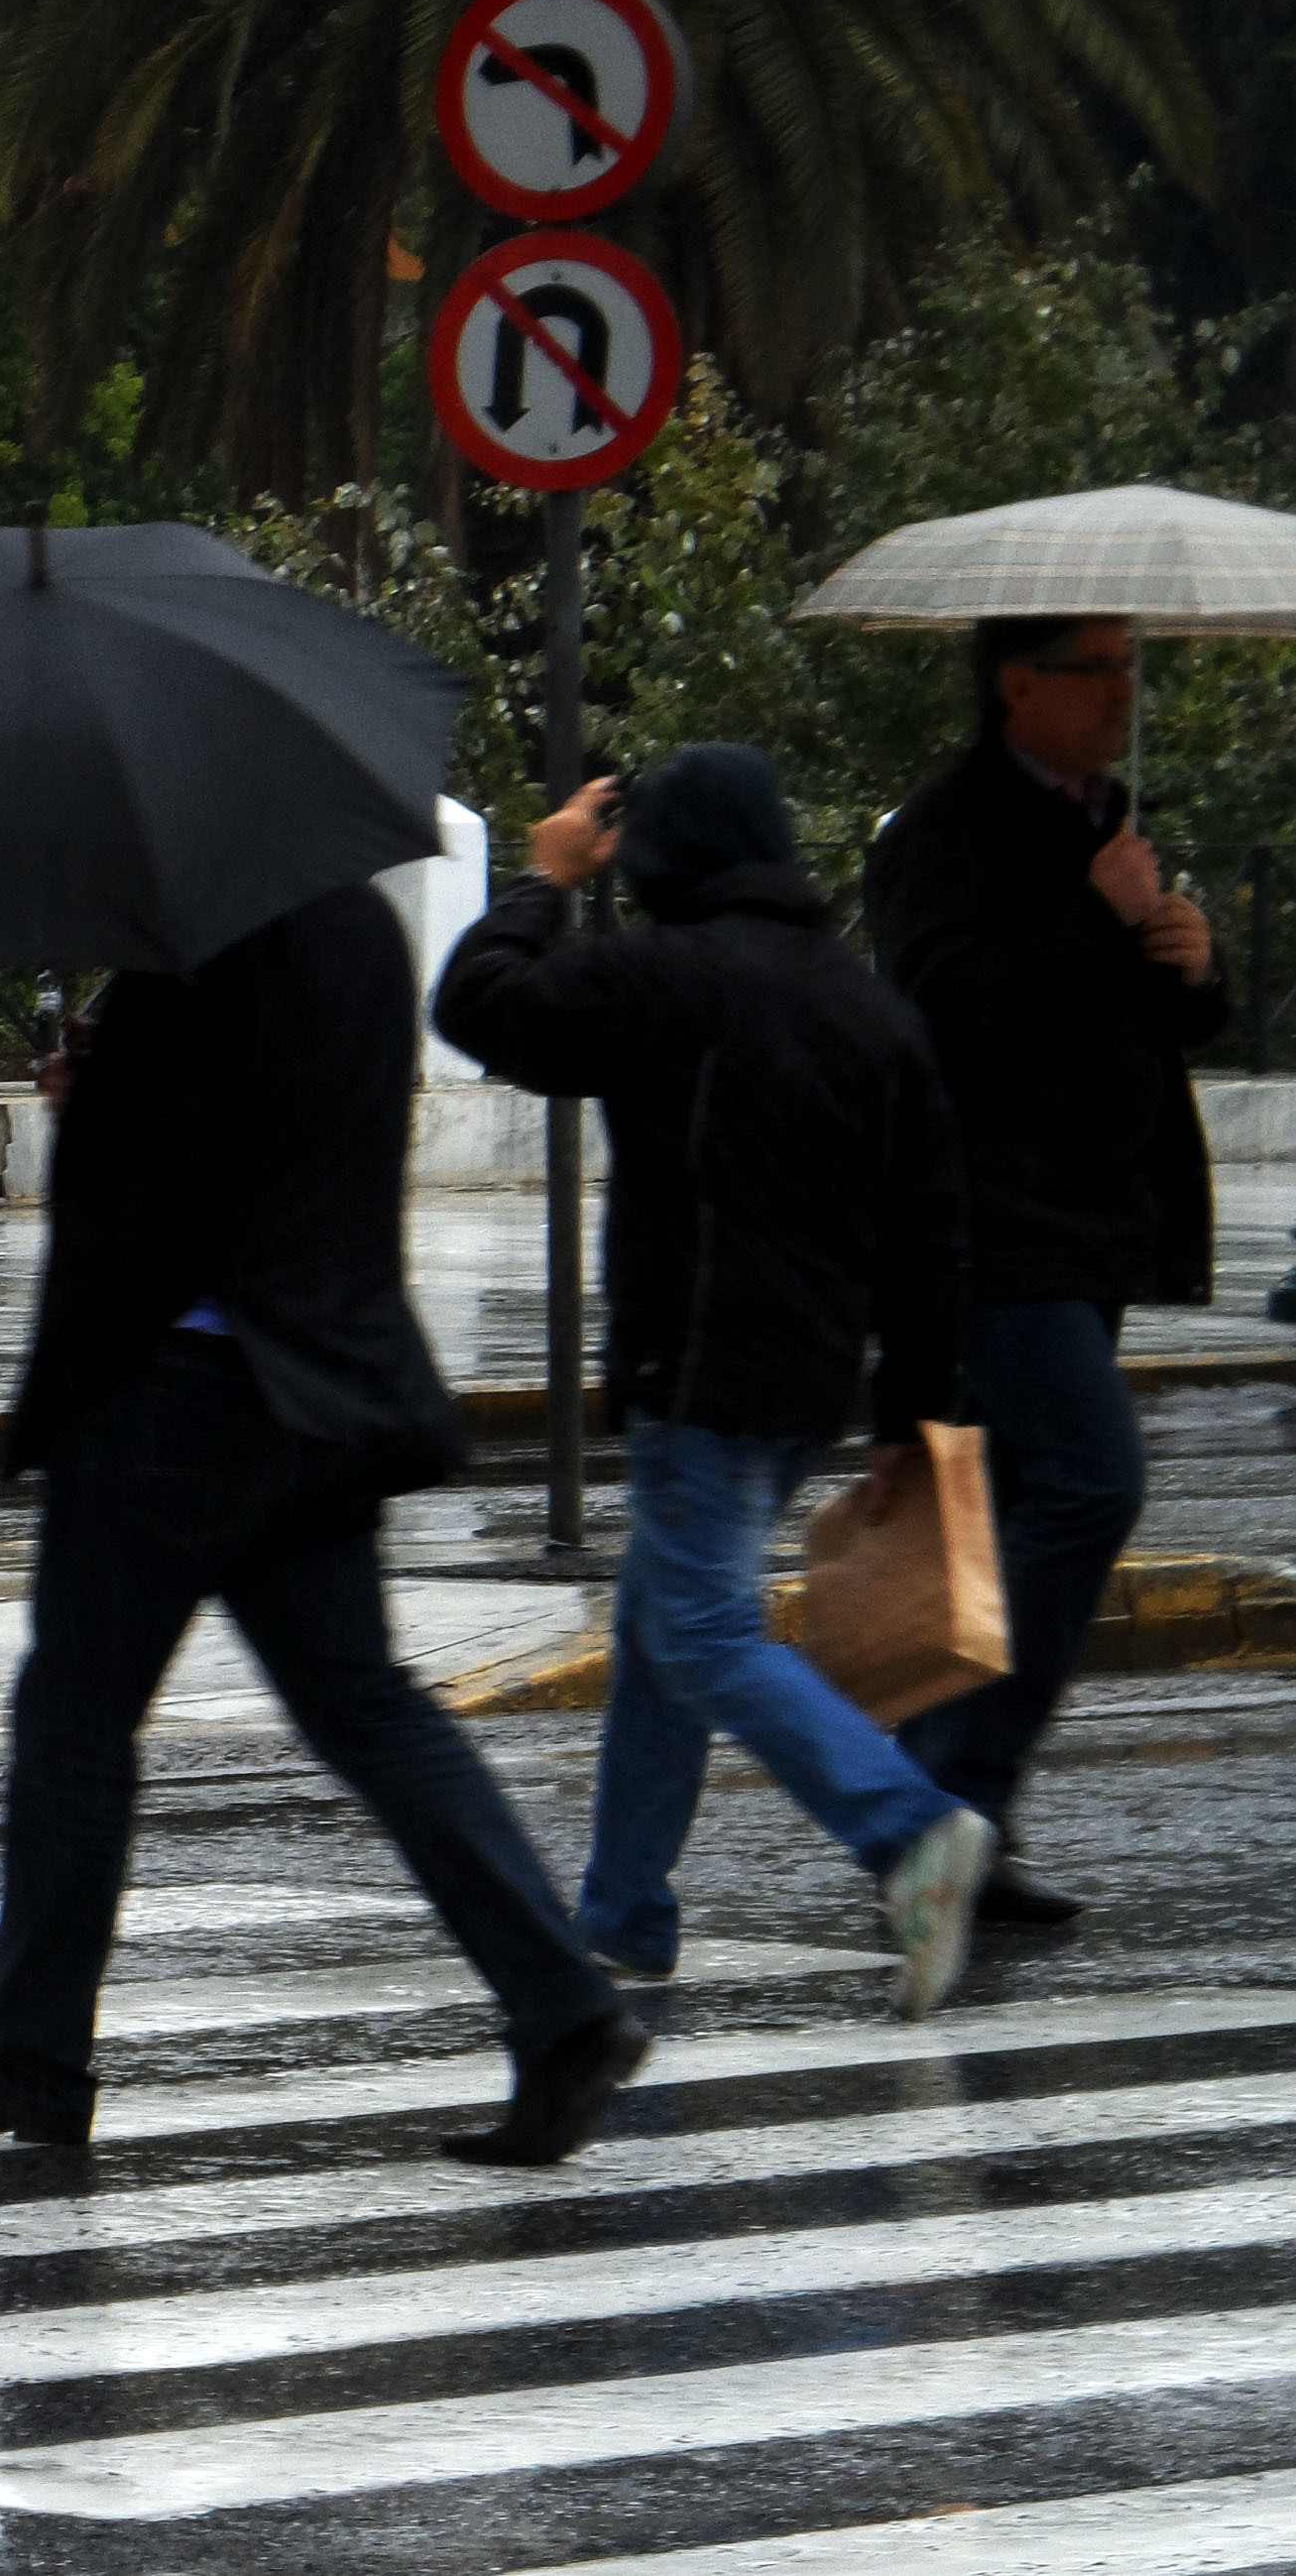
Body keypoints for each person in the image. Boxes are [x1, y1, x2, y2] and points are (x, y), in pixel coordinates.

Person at [0, 882, 642, 2165]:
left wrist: (93, 1105)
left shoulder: (208, 933)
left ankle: (24, 2052)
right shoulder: (356, 931)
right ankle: (561, 2004)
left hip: (183, 1389)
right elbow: (291, 1124)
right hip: (315, 1384)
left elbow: (180, 1168)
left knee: (77, 1716)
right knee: (367, 1705)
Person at [436, 746, 994, 2015]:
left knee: (699, 1631)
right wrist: (917, 1405)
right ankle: (625, 1912)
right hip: (809, 1382)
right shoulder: (860, 1000)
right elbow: (932, 1223)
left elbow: (480, 1009)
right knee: (655, 1632)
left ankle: (909, 1828)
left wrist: (540, 880)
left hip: (698, 1367)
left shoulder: (665, 978)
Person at [867, 615, 1226, 1924]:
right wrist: (1093, 916)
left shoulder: (1106, 824)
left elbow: (1124, 1017)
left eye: (1128, 668)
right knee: (1089, 1479)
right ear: (1016, 684)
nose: (1121, 692)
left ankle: (962, 1823)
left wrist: (1189, 965)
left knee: (1004, 1513)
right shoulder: (938, 836)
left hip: (1096, 1215)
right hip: (991, 1220)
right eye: (1097, 669)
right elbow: (943, 1013)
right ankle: (935, 1799)